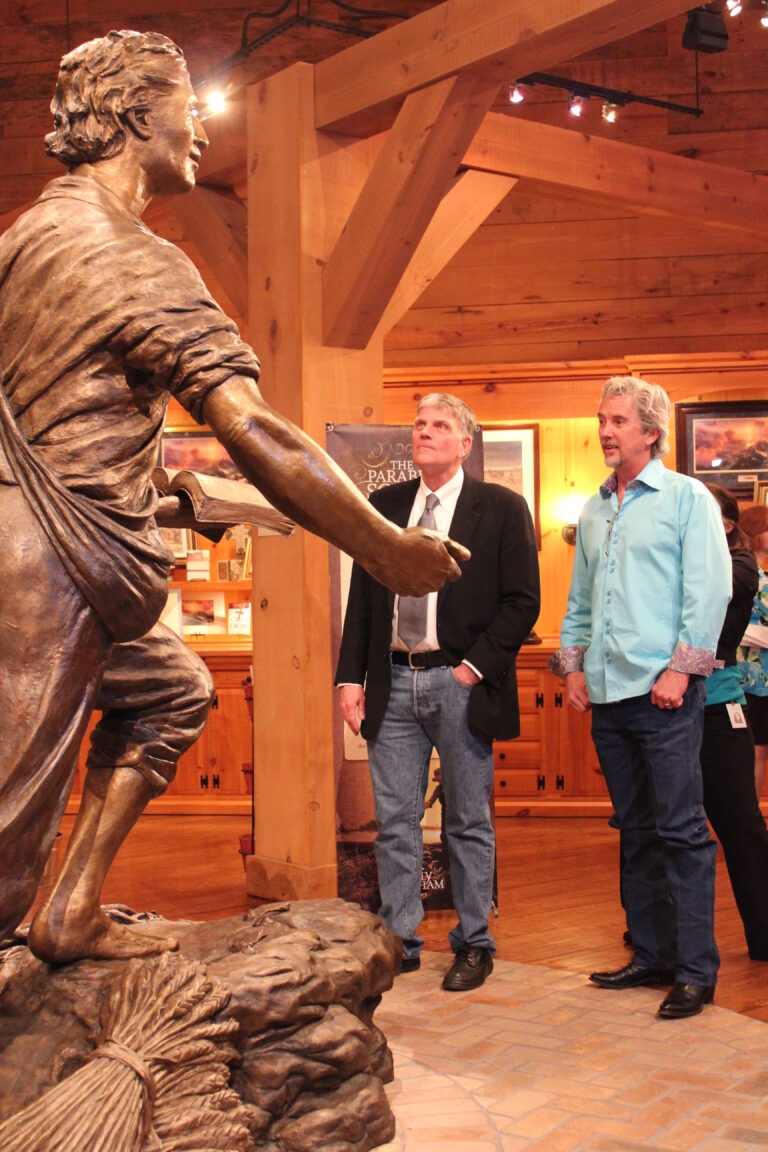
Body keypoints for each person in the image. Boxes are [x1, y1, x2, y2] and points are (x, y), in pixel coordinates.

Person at [0, 31, 468, 965]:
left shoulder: (21, 238)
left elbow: (56, 429)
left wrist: (172, 501)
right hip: (47, 576)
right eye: (188, 105)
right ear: (137, 117)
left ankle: (72, 908)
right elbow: (259, 431)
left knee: (173, 688)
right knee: (9, 821)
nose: (201, 129)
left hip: (53, 546)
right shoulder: (137, 261)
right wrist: (386, 548)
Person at [335, 394, 540, 991]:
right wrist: (351, 678)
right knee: (395, 822)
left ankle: (474, 942)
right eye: (419, 424)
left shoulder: (500, 508)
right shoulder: (385, 506)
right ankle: (401, 937)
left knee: (467, 821)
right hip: (392, 682)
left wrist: (472, 669)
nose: (425, 432)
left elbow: (523, 601)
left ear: (465, 443)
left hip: (460, 683)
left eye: (439, 425)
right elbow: (363, 602)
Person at [551, 375, 730, 1019]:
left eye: (618, 421)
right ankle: (651, 953)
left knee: (681, 831)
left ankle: (695, 970)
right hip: (607, 694)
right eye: (602, 419)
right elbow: (579, 599)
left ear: (650, 432)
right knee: (635, 829)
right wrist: (572, 666)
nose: (605, 430)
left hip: (666, 694)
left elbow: (708, 591)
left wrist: (681, 670)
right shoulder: (596, 507)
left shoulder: (687, 498)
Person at [700, 486, 768, 960]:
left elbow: (714, 591)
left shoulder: (740, 565)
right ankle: (656, 936)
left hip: (719, 707)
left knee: (740, 823)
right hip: (660, 710)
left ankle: (764, 932)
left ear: (724, 524)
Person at [737, 503, 768, 798]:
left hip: (756, 677)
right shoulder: (750, 574)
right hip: (752, 680)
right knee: (756, 750)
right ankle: (752, 816)